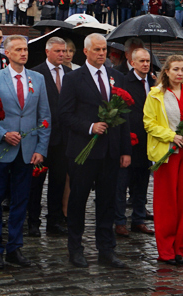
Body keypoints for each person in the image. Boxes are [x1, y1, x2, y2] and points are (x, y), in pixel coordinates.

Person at [57, 33, 129, 269]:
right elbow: (65, 114)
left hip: (110, 152)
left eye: (104, 49)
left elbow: (124, 116)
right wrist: (90, 127)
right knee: (78, 200)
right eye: (97, 49)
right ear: (86, 51)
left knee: (107, 202)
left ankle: (106, 250)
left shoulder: (117, 77)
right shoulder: (73, 78)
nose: (101, 53)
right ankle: (75, 248)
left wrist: (125, 150)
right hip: (83, 151)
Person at [0, 34, 50, 269]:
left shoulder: (37, 79)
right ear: (7, 53)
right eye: (18, 49)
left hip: (27, 150)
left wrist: (40, 148)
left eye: (25, 49)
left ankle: (15, 247)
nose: (23, 53)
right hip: (1, 149)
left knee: (21, 200)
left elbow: (44, 116)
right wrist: (2, 134)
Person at [143, 54, 183, 266]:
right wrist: (171, 136)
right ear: (166, 71)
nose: (180, 73)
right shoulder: (156, 94)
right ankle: (166, 250)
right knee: (166, 202)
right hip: (167, 152)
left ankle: (179, 249)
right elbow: (149, 123)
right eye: (176, 69)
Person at [30, 35, 71, 237]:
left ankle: (54, 221)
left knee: (58, 182)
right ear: (47, 52)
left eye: (64, 51)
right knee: (35, 183)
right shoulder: (36, 73)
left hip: (63, 140)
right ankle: (33, 221)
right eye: (58, 51)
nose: (62, 54)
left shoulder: (70, 74)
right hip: (41, 138)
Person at [115, 46, 155, 237]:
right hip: (129, 140)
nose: (146, 64)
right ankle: (119, 221)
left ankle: (138, 219)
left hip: (148, 140)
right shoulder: (124, 81)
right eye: (142, 61)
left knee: (142, 183)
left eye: (148, 61)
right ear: (132, 63)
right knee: (121, 184)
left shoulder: (154, 82)